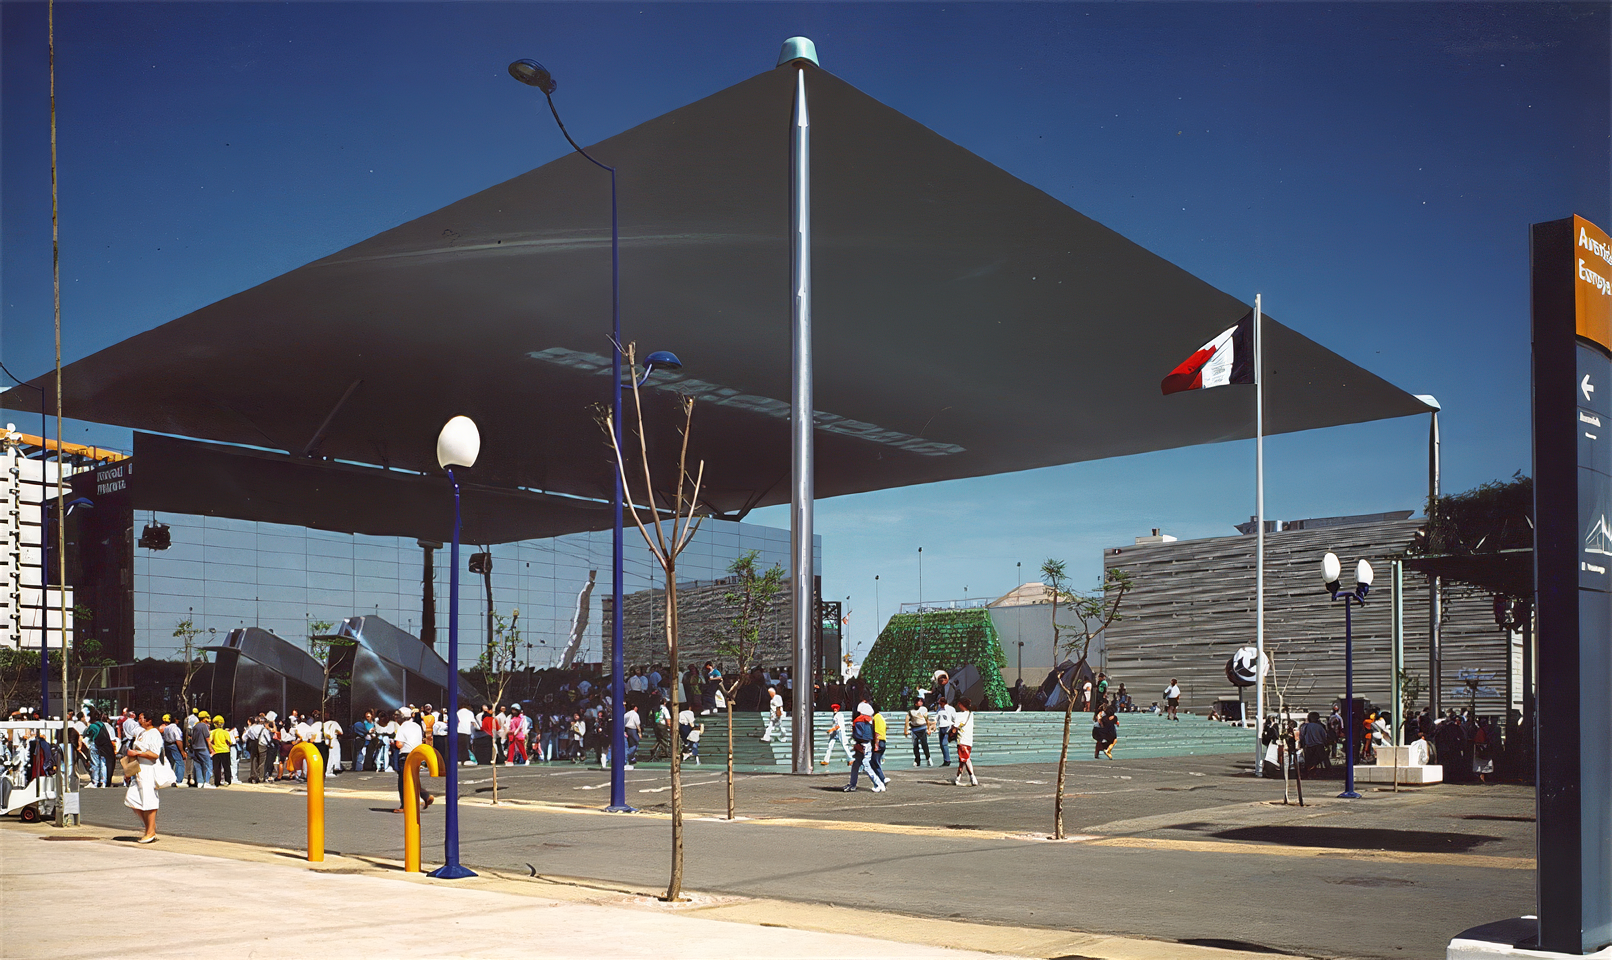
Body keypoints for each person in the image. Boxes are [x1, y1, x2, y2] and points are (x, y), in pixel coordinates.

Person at [125, 711, 164, 843]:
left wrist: (138, 753)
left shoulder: (154, 734)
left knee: (148, 800)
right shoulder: (142, 733)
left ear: (149, 720)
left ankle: (150, 831)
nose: (139, 720)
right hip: (138, 769)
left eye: (141, 718)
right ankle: (150, 826)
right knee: (132, 799)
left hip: (148, 769)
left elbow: (155, 754)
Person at [390, 707, 434, 814]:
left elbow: (399, 744)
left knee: (403, 781)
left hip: (405, 755)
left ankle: (405, 805)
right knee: (413, 778)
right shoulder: (417, 726)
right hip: (417, 754)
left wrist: (393, 743)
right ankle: (424, 795)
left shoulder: (403, 727)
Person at [843, 702, 885, 792]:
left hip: (862, 745)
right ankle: (853, 784)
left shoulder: (859, 721)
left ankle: (878, 783)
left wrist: (857, 744)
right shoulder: (869, 720)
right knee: (856, 765)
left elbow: (858, 735)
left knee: (866, 765)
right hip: (866, 744)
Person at [951, 697, 978, 786]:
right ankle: (958, 777)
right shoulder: (970, 714)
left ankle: (972, 777)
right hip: (969, 740)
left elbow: (954, 727)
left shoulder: (960, 715)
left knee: (966, 759)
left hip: (962, 740)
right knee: (963, 760)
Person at [188, 711, 214, 788]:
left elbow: (191, 738)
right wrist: (211, 749)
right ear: (204, 719)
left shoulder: (195, 726)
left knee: (198, 765)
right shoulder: (204, 726)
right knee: (208, 765)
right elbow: (207, 738)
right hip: (203, 747)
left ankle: (200, 782)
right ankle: (207, 782)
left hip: (195, 748)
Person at [904, 698, 931, 767]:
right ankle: (917, 760)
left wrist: (929, 729)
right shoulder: (911, 711)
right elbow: (907, 720)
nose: (920, 703)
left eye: (921, 701)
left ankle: (928, 758)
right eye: (918, 701)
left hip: (922, 728)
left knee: (924, 744)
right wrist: (906, 730)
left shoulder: (923, 709)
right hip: (914, 729)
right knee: (915, 745)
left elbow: (927, 719)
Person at [208, 714, 232, 786]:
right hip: (225, 751)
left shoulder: (212, 732)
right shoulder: (225, 732)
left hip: (216, 751)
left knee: (216, 767)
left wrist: (212, 748)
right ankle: (227, 781)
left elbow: (210, 741)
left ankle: (217, 782)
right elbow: (228, 742)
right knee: (226, 767)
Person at [870, 702, 890, 785]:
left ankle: (882, 779)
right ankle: (881, 780)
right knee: (874, 762)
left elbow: (877, 732)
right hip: (883, 741)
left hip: (879, 741)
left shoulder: (876, 718)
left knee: (874, 762)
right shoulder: (881, 717)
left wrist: (876, 744)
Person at [933, 697, 956, 766]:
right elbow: (937, 717)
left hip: (947, 727)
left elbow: (954, 718)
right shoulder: (939, 709)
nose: (939, 705)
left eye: (940, 703)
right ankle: (945, 759)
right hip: (941, 727)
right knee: (941, 744)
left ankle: (947, 760)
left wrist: (953, 726)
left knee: (944, 743)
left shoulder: (950, 709)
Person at [622, 703, 641, 769]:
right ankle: (629, 756)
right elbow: (637, 724)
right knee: (636, 743)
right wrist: (640, 733)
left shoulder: (626, 714)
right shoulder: (635, 714)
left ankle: (630, 756)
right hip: (633, 729)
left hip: (627, 729)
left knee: (630, 743)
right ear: (634, 707)